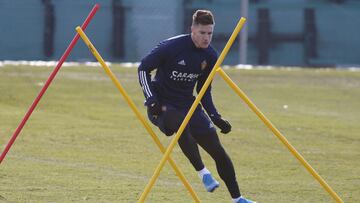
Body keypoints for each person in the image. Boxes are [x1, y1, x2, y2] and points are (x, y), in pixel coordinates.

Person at [138, 10, 255, 203]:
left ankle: (238, 198)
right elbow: (143, 68)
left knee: (217, 150)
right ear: (192, 29)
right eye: (202, 33)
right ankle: (203, 173)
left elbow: (204, 90)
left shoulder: (210, 55)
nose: (206, 38)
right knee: (180, 123)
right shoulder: (170, 47)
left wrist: (215, 116)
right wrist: (151, 99)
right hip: (161, 108)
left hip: (188, 106)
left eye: (210, 33)